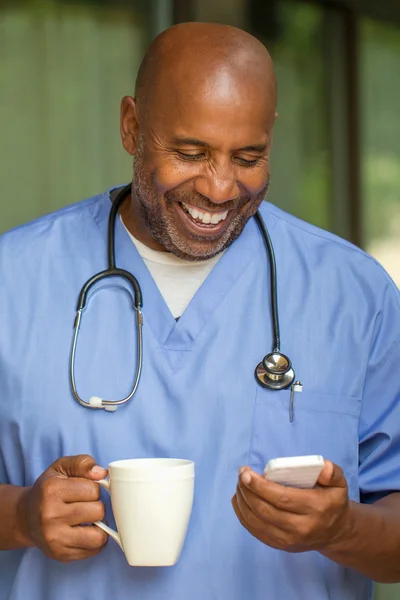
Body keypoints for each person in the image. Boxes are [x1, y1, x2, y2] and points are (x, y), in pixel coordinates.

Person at [0, 21, 399, 600]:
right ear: (132, 126)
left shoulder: (353, 294)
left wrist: (344, 527)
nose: (219, 188)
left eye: (248, 156)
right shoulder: (14, 279)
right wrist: (21, 517)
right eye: (190, 153)